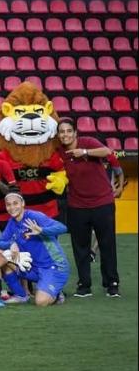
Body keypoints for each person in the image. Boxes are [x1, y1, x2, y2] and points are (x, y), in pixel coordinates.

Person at [56, 119, 120, 297]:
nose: (66, 134)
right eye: (62, 132)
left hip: (103, 203)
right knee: (80, 247)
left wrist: (84, 152)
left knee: (107, 244)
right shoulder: (59, 151)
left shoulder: (88, 142)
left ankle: (112, 284)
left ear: (76, 132)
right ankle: (84, 285)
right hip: (77, 205)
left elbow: (107, 151)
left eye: (69, 131)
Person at [0, 192, 70, 307]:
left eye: (15, 203)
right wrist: (11, 243)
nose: (12, 207)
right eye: (8, 205)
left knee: (40, 302)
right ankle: (21, 295)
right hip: (34, 268)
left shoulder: (34, 216)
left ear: (23, 204)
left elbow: (62, 228)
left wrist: (42, 230)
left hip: (54, 267)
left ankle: (56, 294)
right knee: (1, 256)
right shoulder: (12, 223)